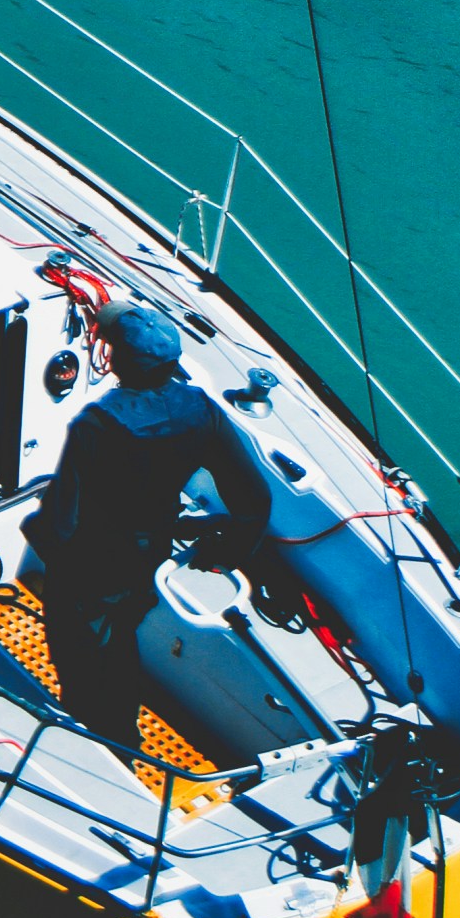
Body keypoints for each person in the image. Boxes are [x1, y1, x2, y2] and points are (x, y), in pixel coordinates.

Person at [22, 300, 275, 751]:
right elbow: (254, 497)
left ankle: (102, 742)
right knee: (119, 635)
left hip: (89, 561)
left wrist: (34, 531)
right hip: (147, 553)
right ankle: (122, 729)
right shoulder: (201, 409)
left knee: (80, 652)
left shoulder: (97, 423)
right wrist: (227, 551)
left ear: (117, 361)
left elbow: (62, 519)